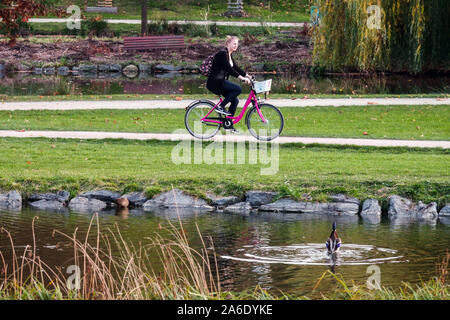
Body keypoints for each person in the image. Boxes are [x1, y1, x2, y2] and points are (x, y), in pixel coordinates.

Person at [206, 36, 251, 132]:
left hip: (220, 81)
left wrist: (248, 76)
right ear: (228, 44)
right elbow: (229, 69)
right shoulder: (222, 54)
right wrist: (241, 78)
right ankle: (221, 107)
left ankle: (228, 125)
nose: (236, 46)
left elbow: (236, 67)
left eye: (237, 44)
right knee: (238, 89)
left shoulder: (229, 54)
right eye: (234, 43)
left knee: (235, 101)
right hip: (215, 82)